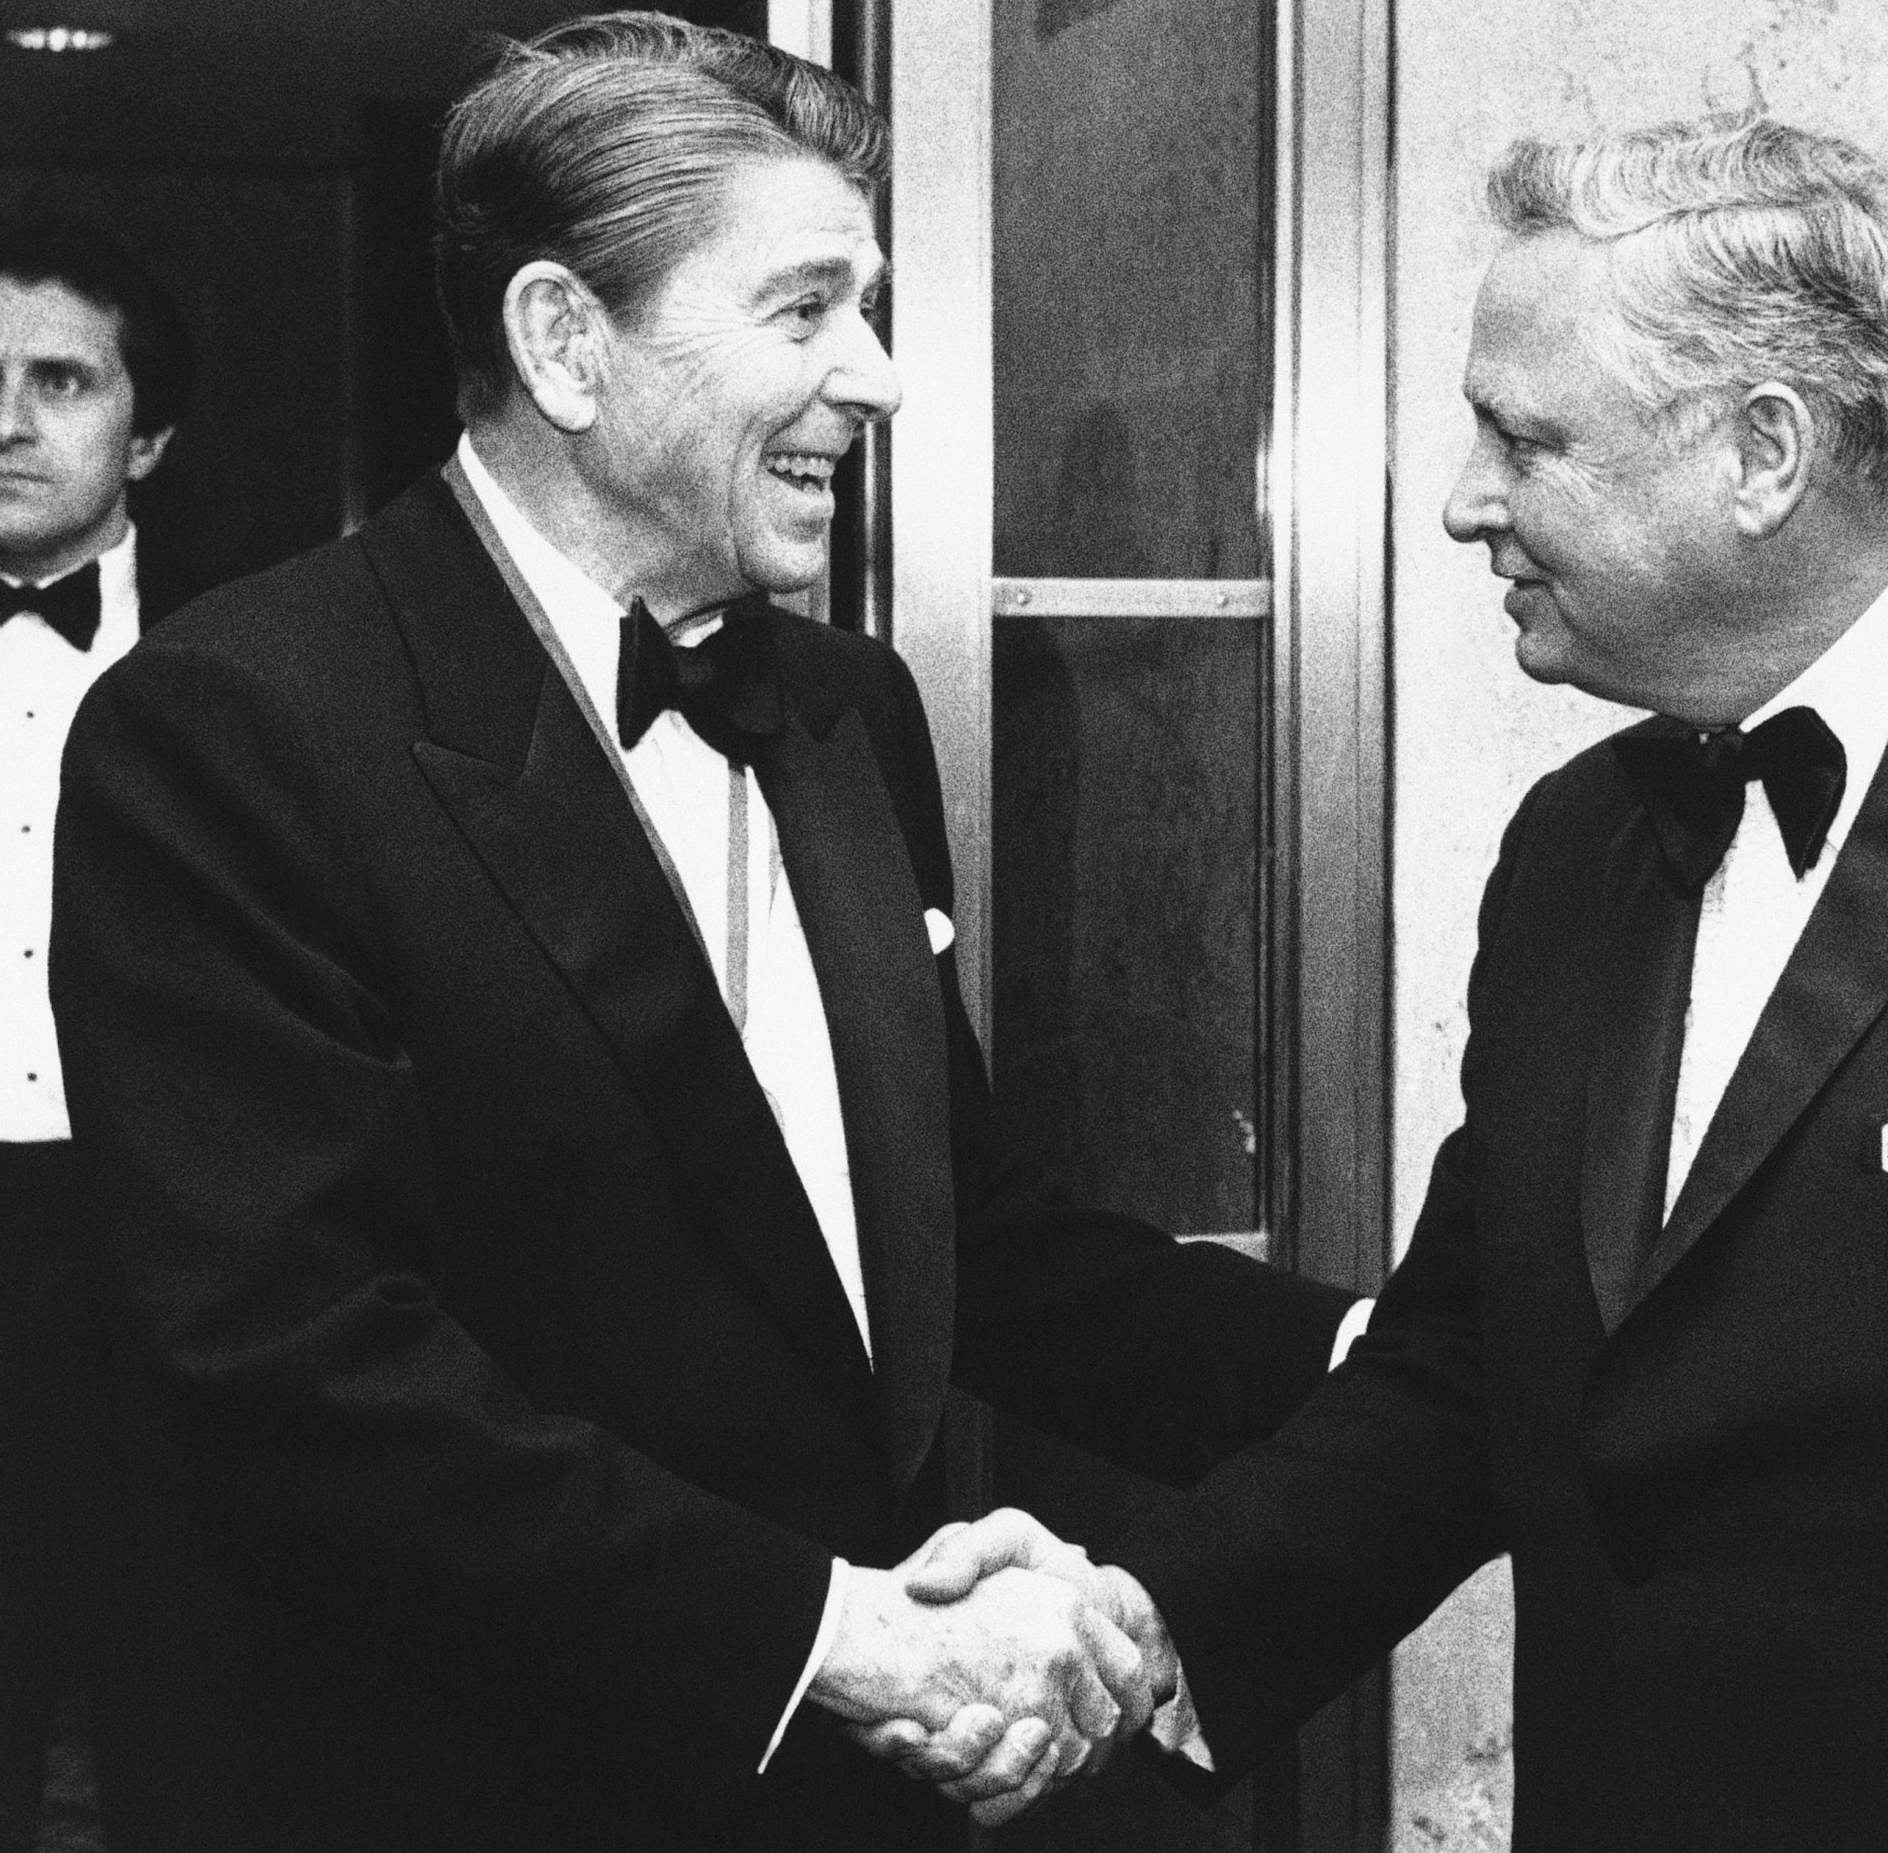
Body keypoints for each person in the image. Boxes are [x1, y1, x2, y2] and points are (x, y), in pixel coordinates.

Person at [903, 116, 1888, 1847]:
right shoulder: (1574, 847)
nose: (1459, 500)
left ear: (1762, 453)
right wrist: (1142, 1624)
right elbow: (1461, 1377)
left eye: (1524, 437)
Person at [45, 15, 1356, 1850]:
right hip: (448, 1780)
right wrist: (828, 1633)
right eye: (805, 308)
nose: (880, 375)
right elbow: (299, 1366)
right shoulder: (232, 728)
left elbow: (957, 1242)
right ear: (564, 343)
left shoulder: (847, 710)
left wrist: (1380, 1364)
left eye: (868, 305)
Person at [1, 213, 200, 1853]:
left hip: (186, 1250)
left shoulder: (262, 662)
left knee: (182, 1708)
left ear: (150, 432)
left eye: (58, 380)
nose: (3, 419)